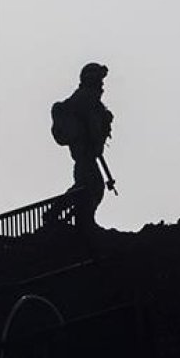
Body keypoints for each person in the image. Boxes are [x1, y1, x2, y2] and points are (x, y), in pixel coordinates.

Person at [51, 62, 114, 231]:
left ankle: (81, 220)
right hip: (84, 153)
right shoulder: (85, 98)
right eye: (99, 80)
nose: (102, 85)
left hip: (85, 154)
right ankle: (63, 215)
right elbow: (91, 125)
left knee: (89, 187)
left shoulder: (87, 100)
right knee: (91, 186)